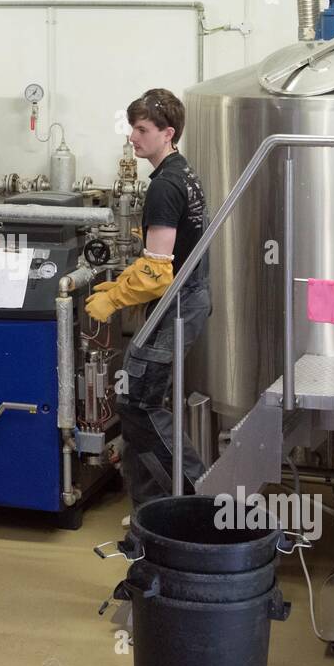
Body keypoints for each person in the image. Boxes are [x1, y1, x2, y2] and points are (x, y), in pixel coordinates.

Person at [85, 88, 211, 508]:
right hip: (182, 299)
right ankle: (148, 512)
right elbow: (162, 255)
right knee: (140, 405)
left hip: (177, 303)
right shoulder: (181, 172)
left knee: (137, 404)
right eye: (132, 127)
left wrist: (116, 298)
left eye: (142, 130)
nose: (133, 137)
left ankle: (201, 500)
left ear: (167, 133)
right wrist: (123, 280)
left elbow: (158, 275)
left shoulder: (165, 186)